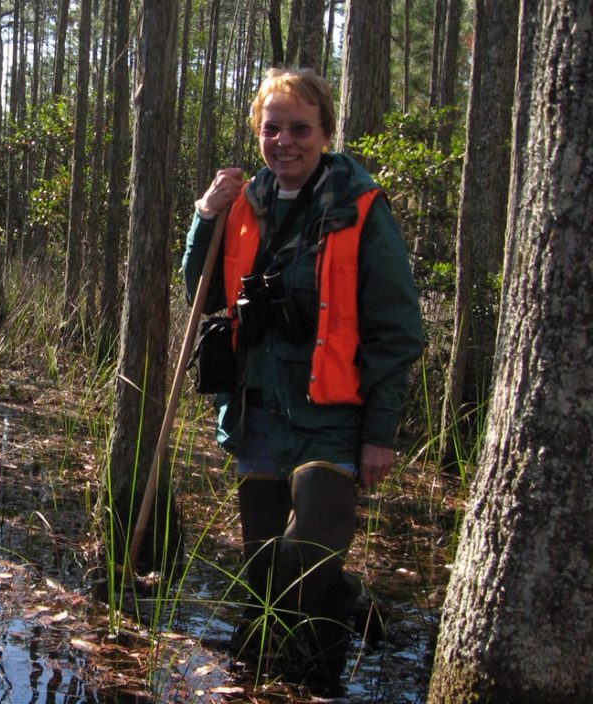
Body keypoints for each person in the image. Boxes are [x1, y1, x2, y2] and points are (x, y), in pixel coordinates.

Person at [182, 67, 424, 690]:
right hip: (256, 408)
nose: (284, 141)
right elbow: (203, 295)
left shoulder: (361, 208)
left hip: (331, 415)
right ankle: (262, 676)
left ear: (324, 132)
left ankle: (319, 679)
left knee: (307, 558)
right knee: (263, 573)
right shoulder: (242, 203)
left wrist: (381, 433)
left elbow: (395, 330)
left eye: (299, 129)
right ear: (258, 133)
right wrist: (204, 217)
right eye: (272, 128)